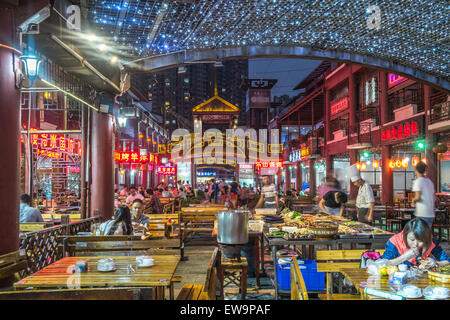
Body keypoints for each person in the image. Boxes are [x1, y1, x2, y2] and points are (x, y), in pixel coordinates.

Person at [382, 218, 449, 267]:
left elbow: (447, 261)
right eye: (412, 239)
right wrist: (404, 257)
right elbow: (382, 264)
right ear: (405, 235)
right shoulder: (395, 242)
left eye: (421, 240)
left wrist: (435, 263)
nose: (416, 244)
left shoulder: (430, 241)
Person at [412, 161, 435, 228]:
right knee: (427, 235)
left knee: (420, 236)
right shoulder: (429, 181)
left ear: (416, 170)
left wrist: (413, 200)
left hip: (422, 213)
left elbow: (418, 197)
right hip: (430, 213)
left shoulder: (418, 181)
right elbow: (434, 197)